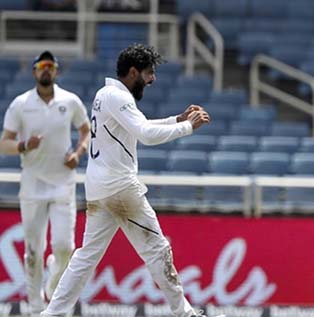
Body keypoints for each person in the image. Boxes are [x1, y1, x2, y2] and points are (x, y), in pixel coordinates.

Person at [40, 44, 221, 317]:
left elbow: (139, 125)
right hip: (121, 188)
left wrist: (175, 118)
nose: (152, 79)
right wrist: (187, 127)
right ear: (133, 71)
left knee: (85, 258)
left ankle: (51, 314)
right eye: (149, 73)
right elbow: (146, 134)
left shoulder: (106, 94)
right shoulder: (118, 97)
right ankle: (185, 314)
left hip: (99, 188)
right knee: (158, 250)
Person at [0, 51, 90, 316]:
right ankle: (36, 308)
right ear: (34, 72)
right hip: (32, 183)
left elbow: (85, 130)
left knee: (65, 248)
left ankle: (51, 288)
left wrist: (78, 153)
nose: (46, 71)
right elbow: (4, 143)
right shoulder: (20, 104)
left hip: (63, 182)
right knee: (32, 251)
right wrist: (24, 145)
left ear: (57, 71)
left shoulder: (70, 101)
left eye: (50, 66)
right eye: (41, 66)